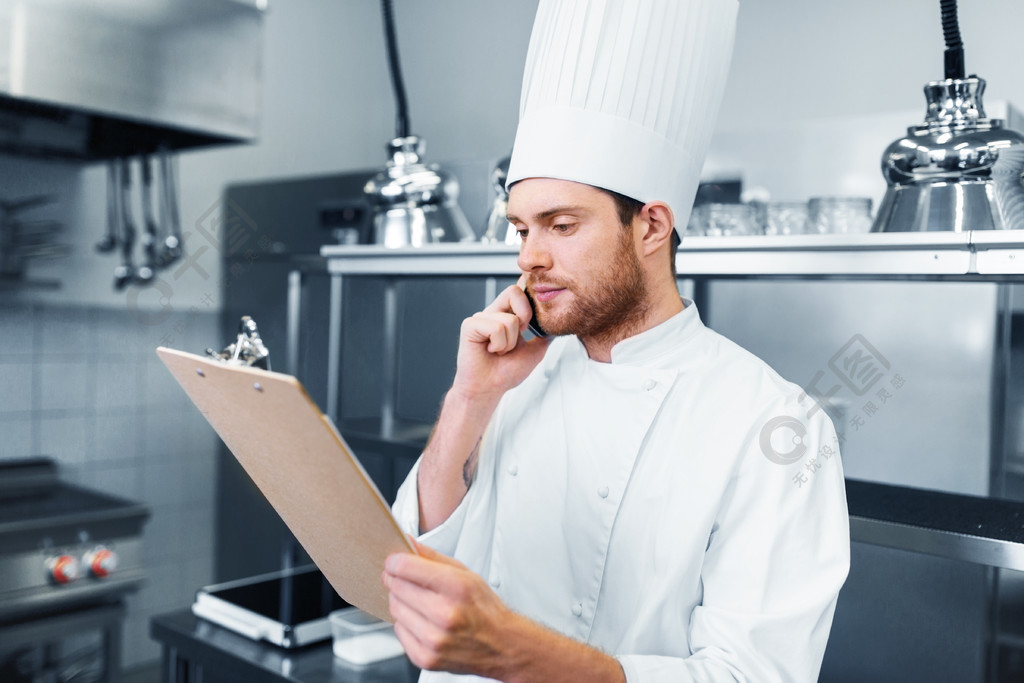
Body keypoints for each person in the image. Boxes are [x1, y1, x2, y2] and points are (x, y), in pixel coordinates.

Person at [382, 1, 850, 681]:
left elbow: (752, 675)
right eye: (520, 228)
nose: (529, 258)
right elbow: (413, 563)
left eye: (561, 225)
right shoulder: (514, 373)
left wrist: (517, 650)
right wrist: (468, 399)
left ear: (652, 226)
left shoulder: (775, 424)